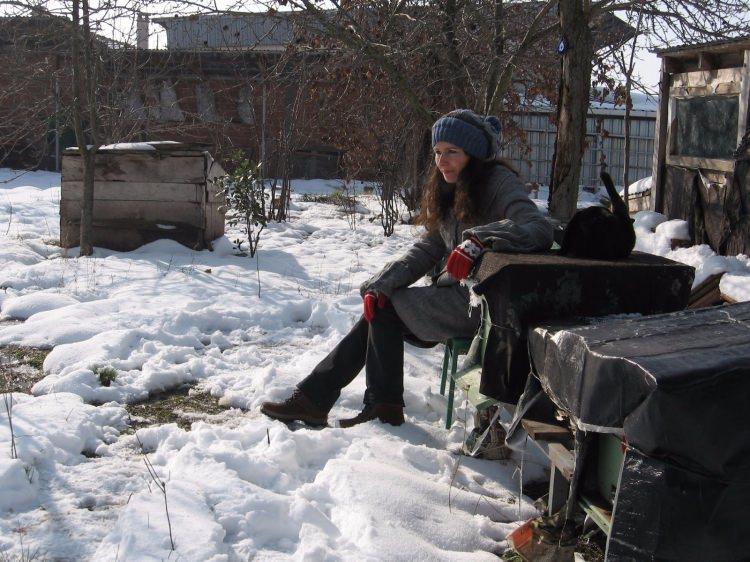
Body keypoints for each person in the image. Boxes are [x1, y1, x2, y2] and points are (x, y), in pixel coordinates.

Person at [261, 109, 553, 428]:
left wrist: (477, 242)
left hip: (489, 308)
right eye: (438, 152)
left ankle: (361, 403)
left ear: (475, 155)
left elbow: (536, 227)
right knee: (381, 303)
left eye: (452, 152)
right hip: (458, 299)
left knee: (387, 311)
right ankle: (324, 399)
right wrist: (381, 284)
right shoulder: (451, 188)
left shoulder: (498, 182)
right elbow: (429, 247)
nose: (442, 160)